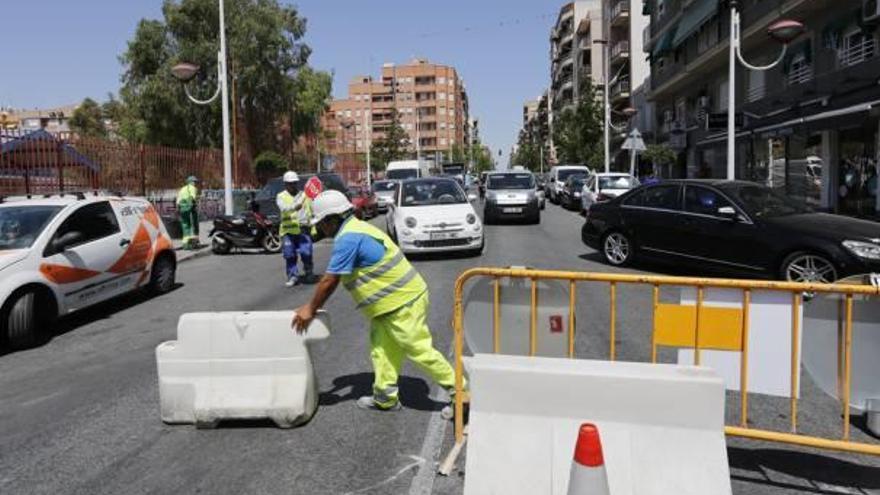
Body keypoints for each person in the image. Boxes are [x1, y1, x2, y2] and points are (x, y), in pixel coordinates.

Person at [292, 190, 460, 414]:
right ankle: (385, 397)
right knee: (382, 349)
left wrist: (310, 308)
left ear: (332, 220)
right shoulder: (356, 228)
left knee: (418, 348)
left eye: (321, 223)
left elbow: (330, 280)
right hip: (390, 304)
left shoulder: (348, 238)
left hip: (403, 301)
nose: (320, 228)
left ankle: (462, 393)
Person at [277, 171, 314, 287]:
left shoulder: (304, 195)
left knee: (306, 252)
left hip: (303, 230)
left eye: (294, 183)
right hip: (288, 232)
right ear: (285, 184)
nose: (292, 185)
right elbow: (283, 209)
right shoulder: (281, 196)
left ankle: (308, 272)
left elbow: (310, 210)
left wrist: (312, 224)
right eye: (290, 183)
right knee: (289, 255)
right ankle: (293, 276)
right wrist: (294, 207)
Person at [176, 176, 200, 250]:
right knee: (193, 225)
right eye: (195, 182)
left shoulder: (182, 189)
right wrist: (193, 206)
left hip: (182, 209)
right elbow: (193, 197)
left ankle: (185, 244)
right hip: (190, 208)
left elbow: (178, 200)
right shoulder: (192, 188)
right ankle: (193, 243)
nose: (195, 183)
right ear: (191, 182)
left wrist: (178, 208)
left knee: (185, 225)